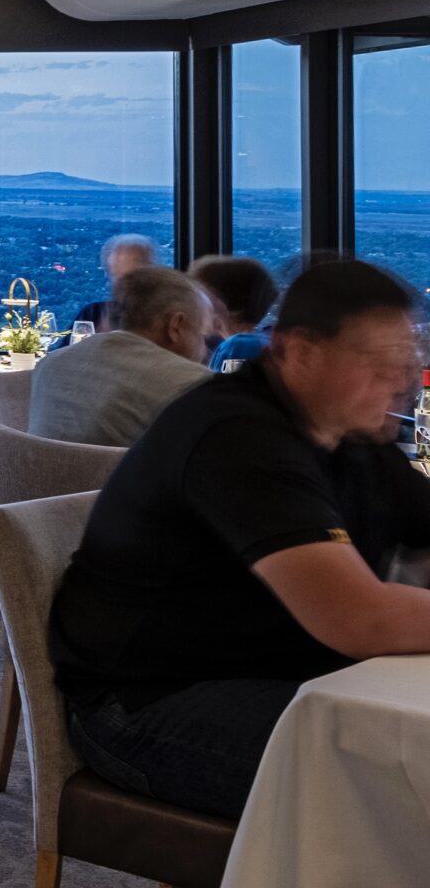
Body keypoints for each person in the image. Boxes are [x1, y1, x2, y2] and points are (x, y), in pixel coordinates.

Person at [49, 258, 430, 819]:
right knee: (402, 776)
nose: (400, 378)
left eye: (408, 358)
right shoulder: (236, 435)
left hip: (270, 673)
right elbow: (358, 620)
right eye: (378, 361)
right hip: (148, 703)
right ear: (302, 353)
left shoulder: (350, 433)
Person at [26, 265, 211, 447]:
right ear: (175, 326)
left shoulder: (49, 364)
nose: (205, 349)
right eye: (201, 334)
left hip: (36, 476)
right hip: (129, 478)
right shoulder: (191, 384)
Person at [194, 252, 282, 372]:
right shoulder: (268, 340)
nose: (192, 304)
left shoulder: (238, 348)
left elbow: (227, 390)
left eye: (201, 297)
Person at [72, 234, 159, 331]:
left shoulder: (166, 320)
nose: (124, 284)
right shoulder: (92, 315)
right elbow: (69, 345)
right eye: (116, 274)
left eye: (131, 276)